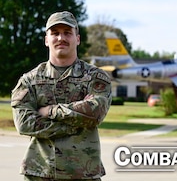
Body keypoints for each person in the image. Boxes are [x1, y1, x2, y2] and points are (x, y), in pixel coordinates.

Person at [11, 11, 112, 181]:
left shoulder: (95, 77)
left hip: (83, 174)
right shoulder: (29, 80)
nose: (61, 38)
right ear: (46, 40)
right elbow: (24, 123)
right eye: (55, 33)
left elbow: (95, 112)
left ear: (77, 39)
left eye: (67, 33)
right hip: (39, 173)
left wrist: (50, 111)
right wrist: (72, 126)